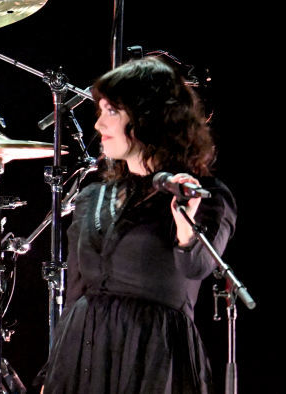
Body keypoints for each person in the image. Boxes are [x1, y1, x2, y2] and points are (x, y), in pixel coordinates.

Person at [41, 57, 236, 394]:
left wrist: (184, 216)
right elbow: (75, 293)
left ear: (149, 118)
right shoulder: (93, 196)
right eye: (99, 111)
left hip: (153, 358)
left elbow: (197, 267)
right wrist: (52, 376)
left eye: (111, 111)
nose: (98, 124)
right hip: (82, 355)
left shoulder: (207, 196)